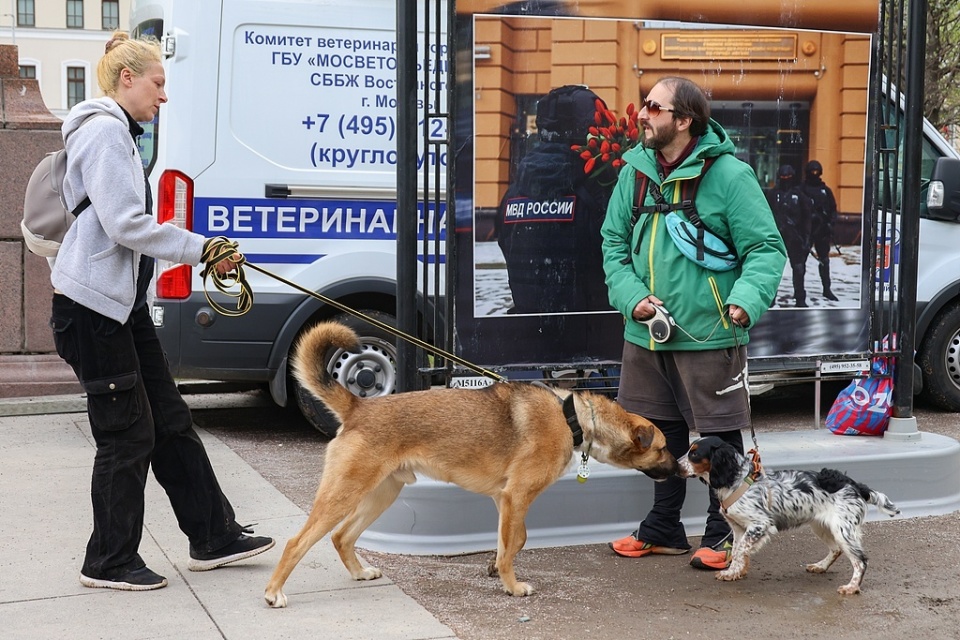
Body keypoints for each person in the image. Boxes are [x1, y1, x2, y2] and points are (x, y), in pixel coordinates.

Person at [49, 31, 274, 591]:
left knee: (170, 421)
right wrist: (204, 248)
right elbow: (125, 223)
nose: (163, 96)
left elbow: (122, 228)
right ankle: (108, 561)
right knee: (127, 435)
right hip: (92, 311)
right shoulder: (104, 132)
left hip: (117, 309)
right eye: (158, 82)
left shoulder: (120, 133)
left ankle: (213, 536)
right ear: (128, 79)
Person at [600, 76, 786, 570]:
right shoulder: (633, 173)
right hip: (646, 335)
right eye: (644, 105)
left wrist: (745, 300)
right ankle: (663, 527)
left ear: (684, 121)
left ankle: (725, 530)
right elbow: (613, 247)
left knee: (719, 435)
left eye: (654, 108)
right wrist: (632, 297)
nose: (641, 113)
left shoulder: (730, 176)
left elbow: (766, 249)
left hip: (711, 333)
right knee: (656, 431)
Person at [495, 85, 615, 313]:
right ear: (588, 132)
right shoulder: (598, 191)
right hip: (590, 334)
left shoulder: (513, 193)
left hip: (527, 332)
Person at [767, 164, 813, 307]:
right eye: (783, 177)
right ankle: (771, 298)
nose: (785, 179)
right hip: (777, 237)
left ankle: (800, 298)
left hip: (795, 237)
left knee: (798, 269)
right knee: (773, 269)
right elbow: (765, 215)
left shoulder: (799, 195)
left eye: (788, 177)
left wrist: (806, 238)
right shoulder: (773, 194)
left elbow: (807, 217)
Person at [798, 160, 840, 302]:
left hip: (822, 231)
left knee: (824, 261)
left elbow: (833, 209)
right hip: (807, 231)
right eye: (812, 171)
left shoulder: (825, 190)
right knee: (800, 262)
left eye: (817, 171)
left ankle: (827, 289)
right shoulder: (801, 190)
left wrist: (830, 223)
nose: (814, 174)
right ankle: (799, 291)